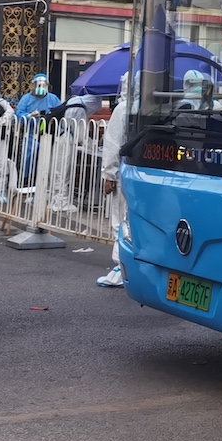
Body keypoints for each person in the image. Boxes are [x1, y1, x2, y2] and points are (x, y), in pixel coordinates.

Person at [96, 76, 130, 287]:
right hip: (146, 173)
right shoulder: (154, 107)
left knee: (121, 221)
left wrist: (109, 174)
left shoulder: (123, 109)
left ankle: (121, 267)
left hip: (124, 174)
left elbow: (112, 144)